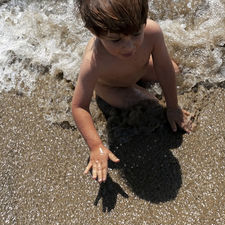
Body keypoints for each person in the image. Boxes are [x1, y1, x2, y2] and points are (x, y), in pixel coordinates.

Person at [72, 0, 193, 183]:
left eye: (136, 34)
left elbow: (164, 68)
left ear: (144, 20)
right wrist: (96, 146)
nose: (129, 47)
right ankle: (133, 92)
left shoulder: (152, 31)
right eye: (116, 40)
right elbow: (79, 107)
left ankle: (140, 81)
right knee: (150, 106)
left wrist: (173, 107)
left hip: (140, 69)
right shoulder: (93, 62)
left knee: (175, 70)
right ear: (94, 32)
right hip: (112, 86)